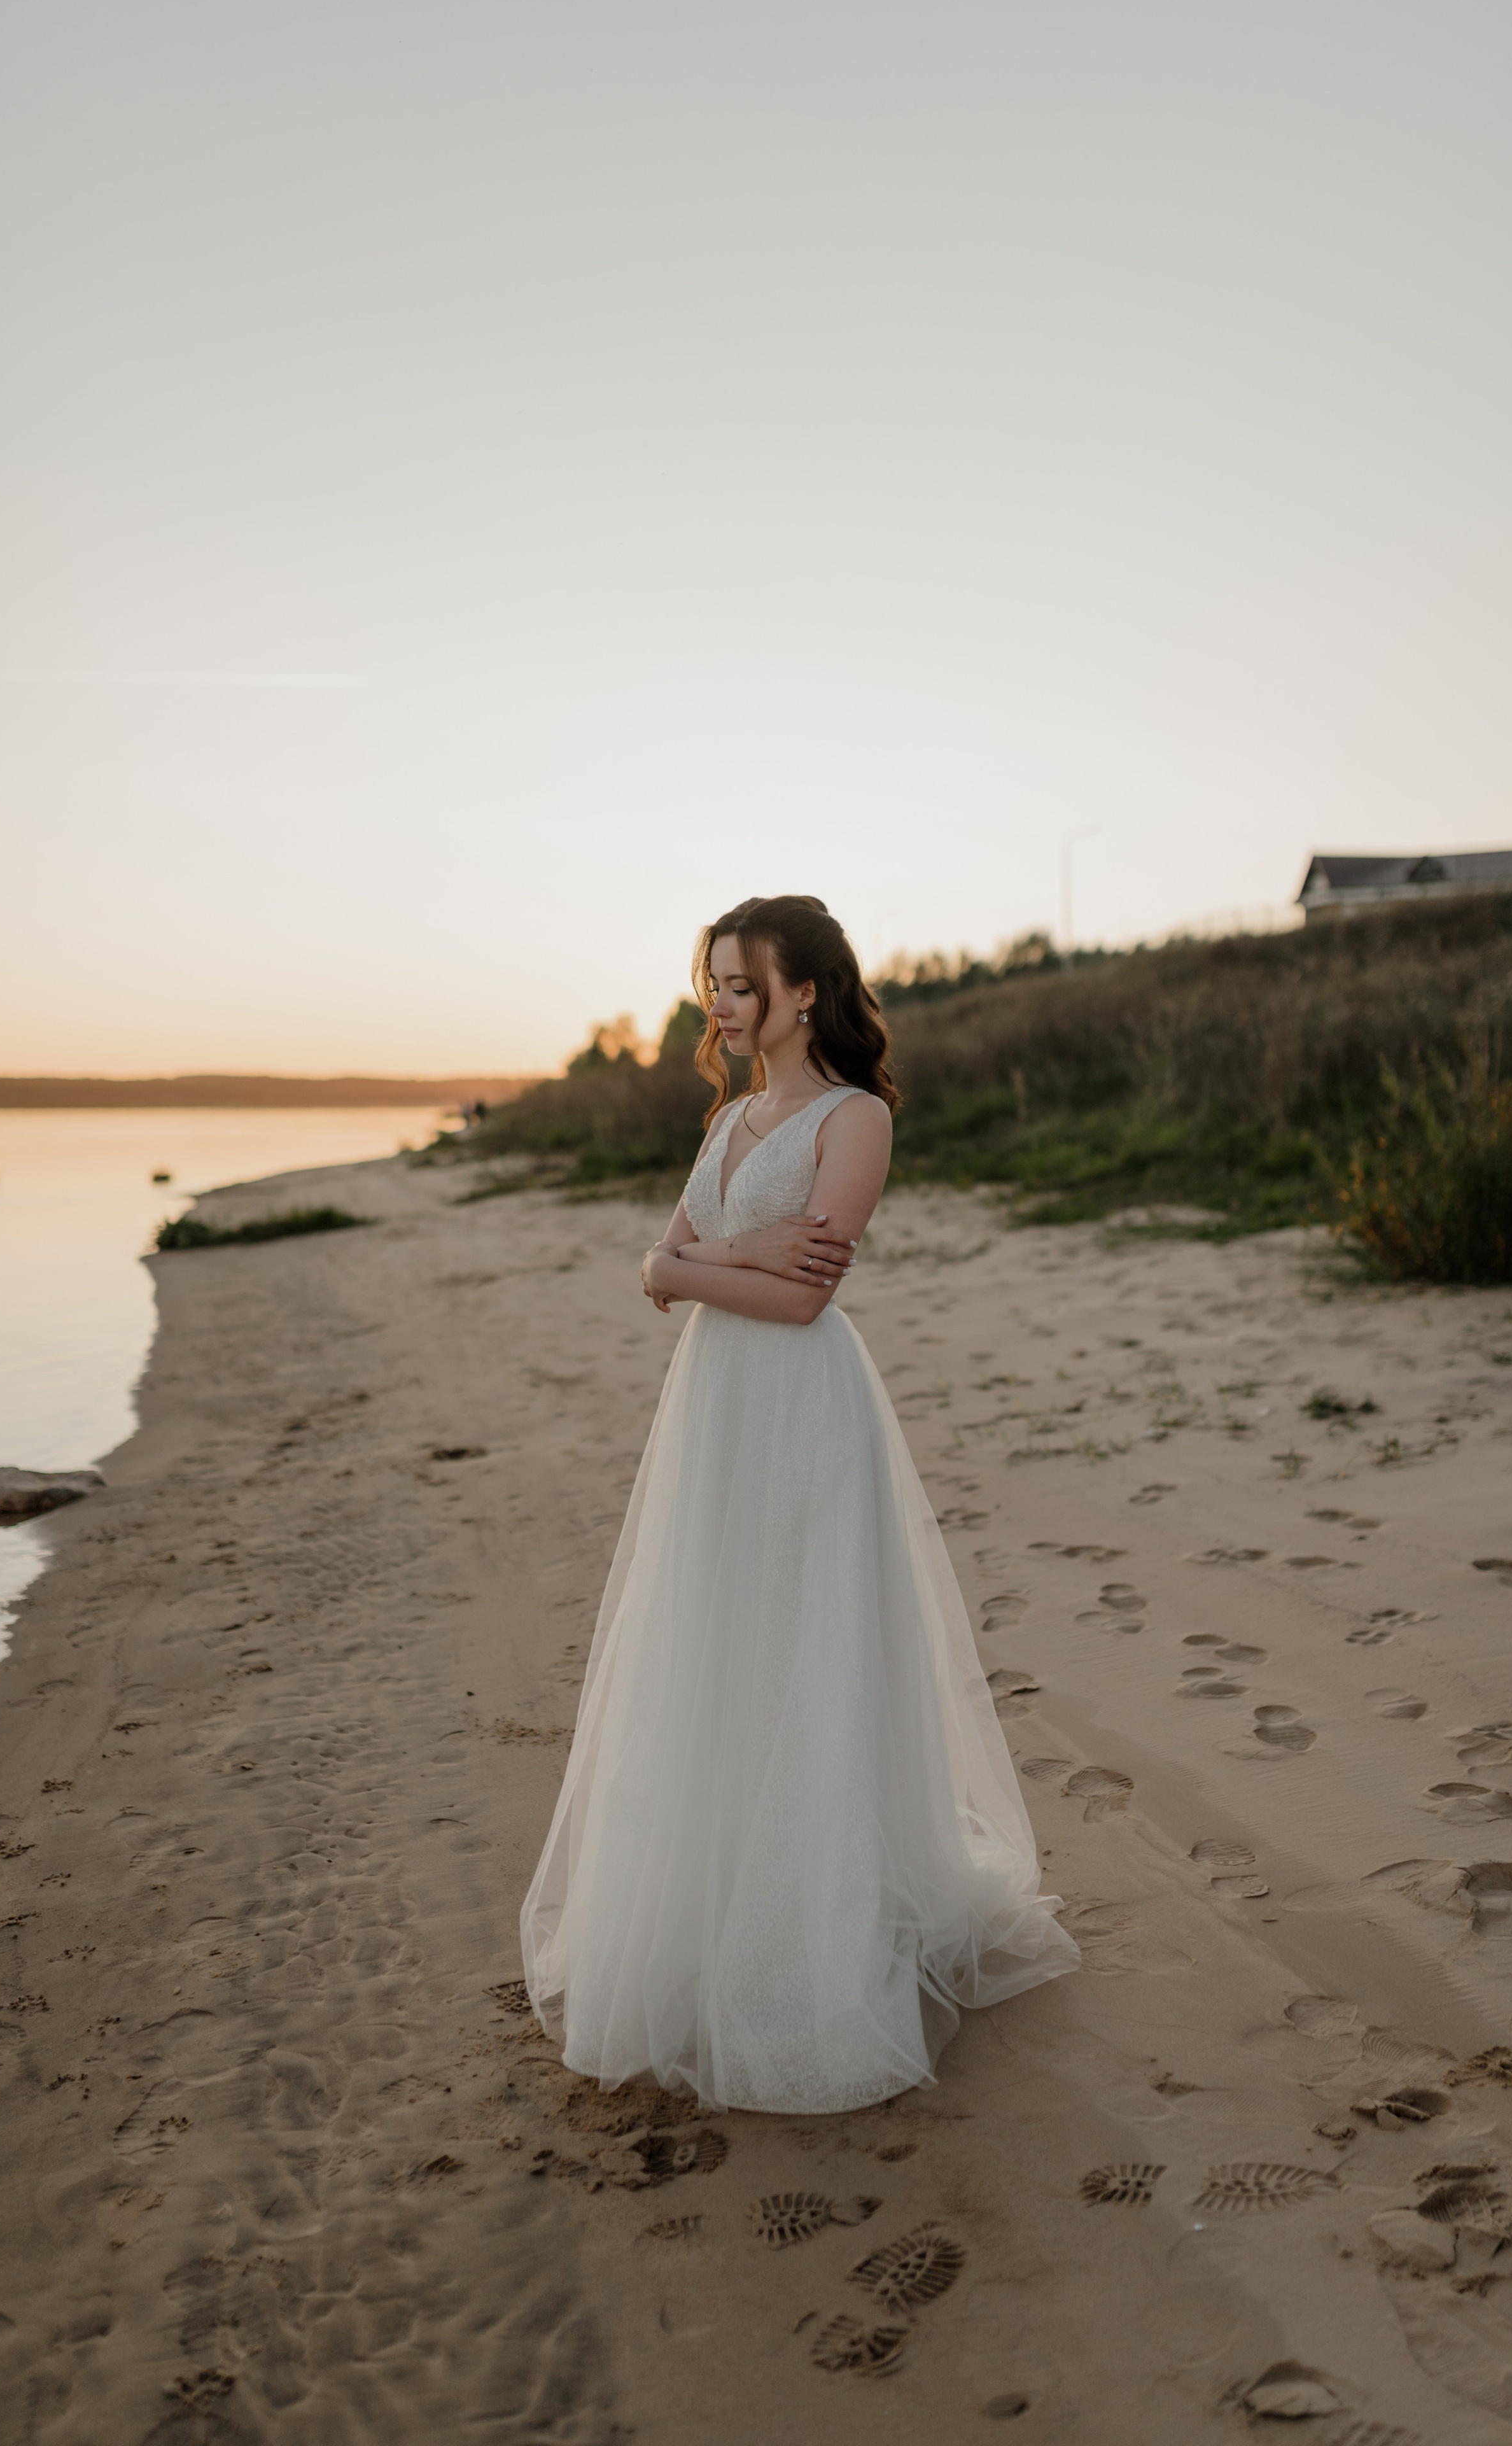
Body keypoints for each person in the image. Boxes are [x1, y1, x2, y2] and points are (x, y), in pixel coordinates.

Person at [520, 895, 1077, 2112]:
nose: (722, 1005)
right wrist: (720, 1257)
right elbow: (656, 1268)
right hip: (715, 1412)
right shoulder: (730, 1121)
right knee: (719, 1648)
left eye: (742, 983)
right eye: (713, 985)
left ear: (805, 991)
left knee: (806, 1650)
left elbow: (802, 1298)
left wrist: (700, 1267)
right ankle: (721, 1918)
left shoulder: (855, 1118)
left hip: (805, 1412)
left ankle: (817, 1940)